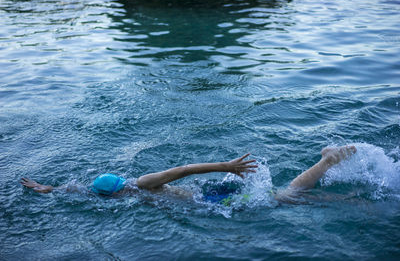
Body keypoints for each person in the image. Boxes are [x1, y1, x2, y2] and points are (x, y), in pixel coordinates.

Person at [20, 145, 357, 204]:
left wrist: (226, 166)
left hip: (207, 200)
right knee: (282, 198)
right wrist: (48, 188)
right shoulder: (123, 190)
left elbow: (182, 171)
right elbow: (79, 189)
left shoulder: (140, 185)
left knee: (284, 198)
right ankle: (329, 177)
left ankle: (328, 162)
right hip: (206, 197)